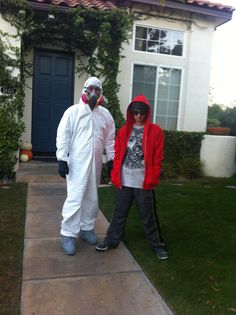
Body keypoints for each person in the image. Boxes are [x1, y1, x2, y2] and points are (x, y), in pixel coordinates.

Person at [96, 94, 168, 260]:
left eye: (142, 113)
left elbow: (158, 157)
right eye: (135, 113)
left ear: (146, 113)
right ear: (131, 113)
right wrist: (114, 173)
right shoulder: (124, 131)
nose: (138, 116)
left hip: (144, 182)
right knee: (119, 214)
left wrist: (154, 176)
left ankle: (157, 245)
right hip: (125, 181)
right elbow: (119, 152)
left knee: (148, 216)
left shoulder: (155, 131)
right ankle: (111, 241)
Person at [56, 77, 115, 255]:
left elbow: (110, 139)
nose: (94, 92)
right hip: (76, 163)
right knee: (75, 197)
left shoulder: (105, 114)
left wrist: (111, 159)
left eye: (97, 89)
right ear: (84, 89)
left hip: (95, 163)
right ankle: (67, 234)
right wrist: (62, 158)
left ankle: (86, 228)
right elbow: (63, 135)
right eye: (91, 88)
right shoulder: (73, 112)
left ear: (101, 92)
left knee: (92, 196)